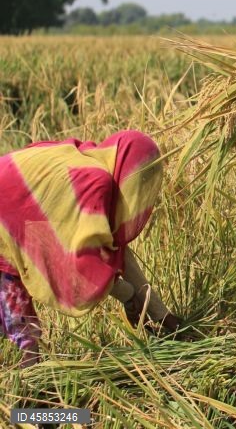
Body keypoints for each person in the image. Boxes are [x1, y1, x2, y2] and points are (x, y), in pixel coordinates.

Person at [0, 130, 181, 368]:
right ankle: (29, 398)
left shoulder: (87, 161)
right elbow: (85, 264)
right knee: (26, 338)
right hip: (7, 212)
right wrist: (128, 297)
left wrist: (160, 313)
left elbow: (117, 253)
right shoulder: (93, 182)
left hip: (14, 210)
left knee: (21, 326)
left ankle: (27, 391)